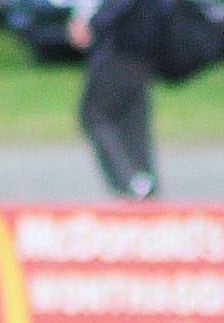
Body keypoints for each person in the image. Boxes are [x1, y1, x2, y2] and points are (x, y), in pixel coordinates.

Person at [73, 0, 159, 200]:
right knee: (131, 122)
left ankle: (132, 184)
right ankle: (144, 186)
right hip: (139, 53)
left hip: (116, 52)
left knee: (95, 116)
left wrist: (90, 22)